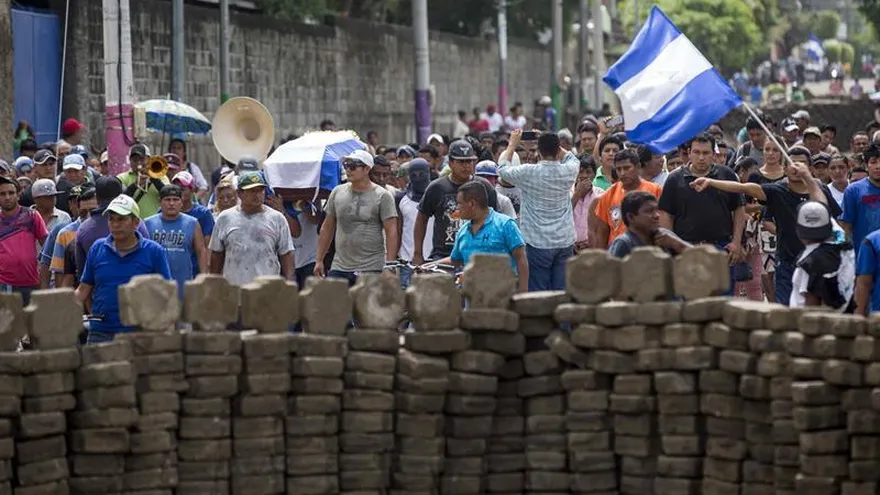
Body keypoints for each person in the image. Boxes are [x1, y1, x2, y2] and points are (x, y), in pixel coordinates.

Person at [690, 147, 841, 305]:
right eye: (792, 163)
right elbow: (745, 188)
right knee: (785, 311)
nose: (796, 168)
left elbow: (833, 218)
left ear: (810, 168)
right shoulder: (777, 191)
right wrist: (710, 182)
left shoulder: (820, 190)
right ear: (784, 168)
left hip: (818, 264)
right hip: (787, 264)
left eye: (801, 164)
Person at [76, 195, 172, 344]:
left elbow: (165, 293)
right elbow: (84, 289)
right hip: (101, 332)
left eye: (121, 219)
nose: (115, 224)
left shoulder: (154, 251)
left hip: (139, 333)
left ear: (135, 222)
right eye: (111, 219)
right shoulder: (97, 248)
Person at [658, 134, 746, 291]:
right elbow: (666, 215)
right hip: (685, 250)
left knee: (722, 303)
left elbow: (739, 209)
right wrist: (673, 249)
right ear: (689, 153)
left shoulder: (726, 175)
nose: (701, 157)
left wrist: (737, 243)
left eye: (706, 153)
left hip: (721, 249)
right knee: (689, 304)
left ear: (713, 154)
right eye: (697, 152)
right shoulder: (674, 179)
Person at [496, 129, 578, 291]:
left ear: (538, 151)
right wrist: (550, 141)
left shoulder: (528, 172)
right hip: (564, 241)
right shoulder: (570, 170)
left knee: (539, 295)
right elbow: (570, 157)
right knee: (562, 293)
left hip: (536, 243)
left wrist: (513, 143)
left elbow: (503, 170)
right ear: (557, 149)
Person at [313, 150, 399, 286]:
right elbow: (327, 227)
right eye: (346, 165)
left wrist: (389, 265)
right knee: (336, 306)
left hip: (371, 267)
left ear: (366, 169)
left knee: (367, 307)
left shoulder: (383, 196)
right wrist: (319, 260)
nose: (348, 170)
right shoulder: (337, 192)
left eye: (353, 166)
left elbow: (392, 231)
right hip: (340, 266)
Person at [429, 181, 528, 293]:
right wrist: (430, 265)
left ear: (472, 203)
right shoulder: (463, 231)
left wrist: (522, 291)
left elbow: (521, 258)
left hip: (503, 296)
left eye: (460, 203)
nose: (457, 208)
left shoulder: (505, 224)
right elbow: (455, 260)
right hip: (472, 298)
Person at [209, 172, 294, 286]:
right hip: (234, 290)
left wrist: (289, 283)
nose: (257, 194)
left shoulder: (277, 219)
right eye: (252, 191)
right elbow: (216, 255)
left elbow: (286, 254)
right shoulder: (225, 218)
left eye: (260, 190)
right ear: (239, 193)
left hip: (267, 290)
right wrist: (214, 284)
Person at [413, 140, 478, 265]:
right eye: (461, 162)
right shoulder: (436, 187)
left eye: (469, 161)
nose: (466, 166)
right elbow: (421, 219)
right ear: (451, 163)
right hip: (443, 255)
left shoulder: (482, 187)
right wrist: (418, 253)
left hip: (475, 255)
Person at [75, 176, 151, 281]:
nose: (116, 225)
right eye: (112, 220)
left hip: (101, 292)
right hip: (136, 291)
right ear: (121, 196)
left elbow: (82, 274)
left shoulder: (83, 229)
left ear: (96, 197)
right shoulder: (136, 223)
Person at [144, 185, 208, 299]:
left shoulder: (192, 223)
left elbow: (201, 251)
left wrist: (203, 277)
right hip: (155, 286)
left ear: (181, 202)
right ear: (160, 202)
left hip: (184, 285)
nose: (171, 203)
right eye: (167, 200)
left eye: (175, 199)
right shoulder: (149, 223)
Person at [790, 201, 854, 311]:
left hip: (810, 322)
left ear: (798, 229)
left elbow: (811, 305)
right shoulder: (842, 243)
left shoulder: (810, 263)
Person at [594, 149, 663, 248]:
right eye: (619, 169)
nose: (622, 173)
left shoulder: (655, 190)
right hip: (618, 252)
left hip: (648, 250)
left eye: (627, 168)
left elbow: (662, 224)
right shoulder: (608, 195)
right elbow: (602, 232)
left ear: (638, 166)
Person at [0, 176, 48, 305]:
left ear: (18, 195)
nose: (7, 197)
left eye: (11, 193)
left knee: (31, 323)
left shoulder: (31, 216)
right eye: (2, 194)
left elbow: (47, 247)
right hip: (4, 284)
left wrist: (44, 279)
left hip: (30, 282)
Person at [608, 191, 691, 258]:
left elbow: (700, 258)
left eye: (656, 210)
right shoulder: (624, 243)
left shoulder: (665, 236)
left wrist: (676, 243)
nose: (657, 215)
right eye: (649, 211)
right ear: (631, 217)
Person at [396, 159, 434, 288]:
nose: (418, 178)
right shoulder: (401, 198)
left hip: (434, 261)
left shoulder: (437, 194)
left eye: (421, 174)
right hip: (408, 262)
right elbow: (398, 229)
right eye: (414, 175)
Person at [49, 186, 97, 288]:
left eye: (93, 211)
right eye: (83, 213)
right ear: (78, 209)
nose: (88, 217)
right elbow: (60, 273)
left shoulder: (110, 229)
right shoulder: (65, 234)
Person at [840, 142, 880, 256]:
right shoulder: (853, 191)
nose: (878, 166)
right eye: (873, 162)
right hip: (863, 256)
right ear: (866, 165)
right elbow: (846, 227)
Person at [171, 171, 215, 276]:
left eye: (182, 189)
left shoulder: (203, 213)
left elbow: (208, 245)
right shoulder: (164, 212)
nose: (179, 192)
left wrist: (205, 272)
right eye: (175, 189)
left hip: (194, 271)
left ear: (192, 190)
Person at [117, 143, 169, 219]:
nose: (138, 163)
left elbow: (168, 194)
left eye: (141, 159)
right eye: (135, 160)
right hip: (131, 223)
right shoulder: (122, 177)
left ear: (149, 159)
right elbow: (119, 200)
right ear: (130, 161)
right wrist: (135, 185)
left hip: (155, 222)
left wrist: (153, 178)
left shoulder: (161, 176)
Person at [572, 155, 604, 253]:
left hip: (592, 249)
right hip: (568, 249)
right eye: (580, 172)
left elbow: (603, 225)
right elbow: (561, 217)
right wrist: (577, 194)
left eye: (588, 172)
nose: (584, 176)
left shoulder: (601, 195)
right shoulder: (566, 193)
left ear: (594, 175)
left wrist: (590, 243)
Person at [168, 138, 209, 203]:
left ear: (184, 152)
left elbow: (203, 187)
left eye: (179, 148)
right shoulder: (165, 168)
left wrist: (193, 200)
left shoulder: (192, 167)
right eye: (173, 148)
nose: (175, 150)